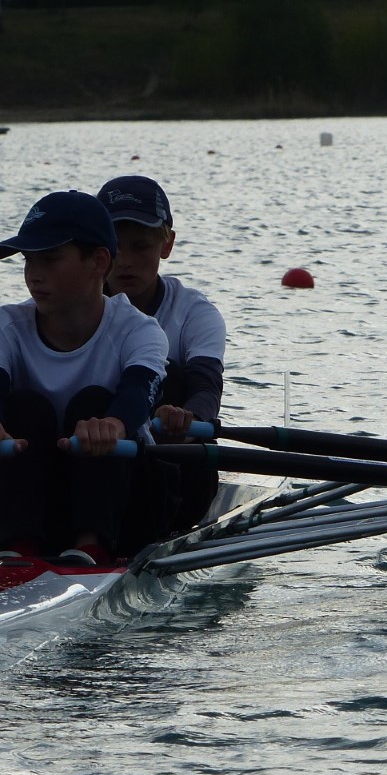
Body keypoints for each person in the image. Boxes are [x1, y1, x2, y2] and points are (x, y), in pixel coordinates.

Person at [0, 191, 169, 567]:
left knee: (93, 404)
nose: (33, 274)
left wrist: (114, 424)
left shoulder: (139, 330)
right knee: (23, 407)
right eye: (28, 260)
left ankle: (92, 546)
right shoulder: (3, 325)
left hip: (126, 507)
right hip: (38, 497)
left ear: (99, 261)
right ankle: (19, 547)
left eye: (50, 258)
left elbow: (140, 393)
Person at [98, 174, 227, 527]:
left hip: (176, 477)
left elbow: (206, 388)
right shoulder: (70, 310)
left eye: (140, 246)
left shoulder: (195, 313)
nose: (125, 261)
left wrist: (189, 420)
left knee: (170, 378)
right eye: (115, 247)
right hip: (89, 468)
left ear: (166, 245)